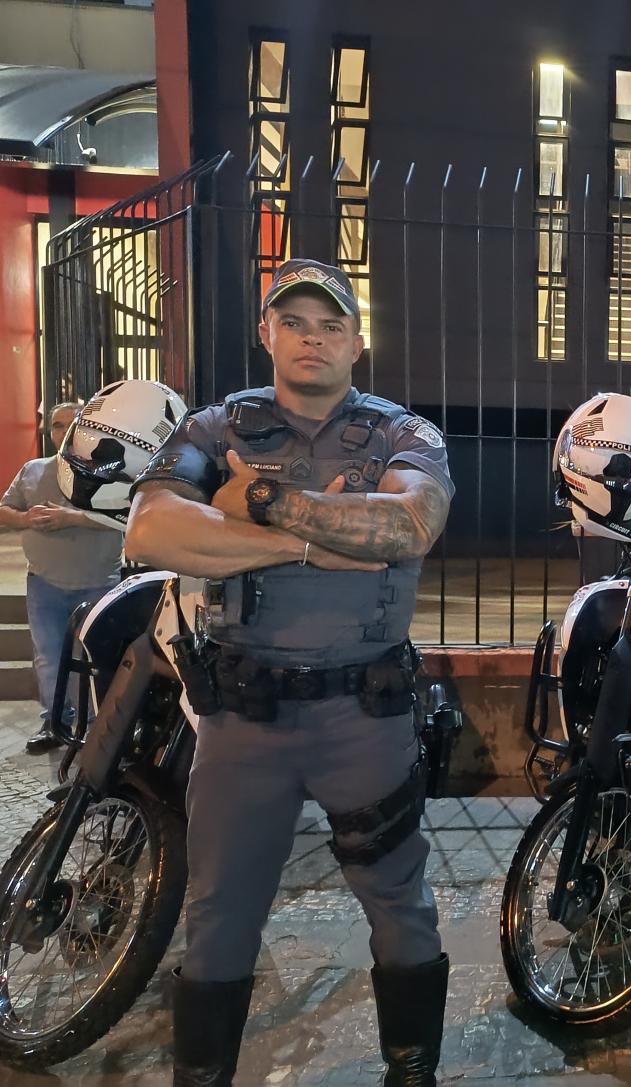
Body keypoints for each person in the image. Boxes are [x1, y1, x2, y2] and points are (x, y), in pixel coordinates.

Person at [125, 259, 454, 1087]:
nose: (313, 337)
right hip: (244, 721)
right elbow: (155, 531)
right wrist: (317, 541)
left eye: (331, 324)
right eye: (296, 322)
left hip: (365, 720)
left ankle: (410, 1071)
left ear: (356, 340)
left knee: (400, 905)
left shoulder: (401, 434)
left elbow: (409, 523)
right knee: (220, 914)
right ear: (266, 332)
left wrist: (261, 505)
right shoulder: (213, 429)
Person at [0, 401, 123, 753]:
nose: (64, 430)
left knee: (96, 658)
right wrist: (25, 520)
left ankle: (97, 726)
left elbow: (127, 517)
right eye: (57, 424)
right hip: (45, 583)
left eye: (73, 423)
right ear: (50, 431)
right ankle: (55, 722)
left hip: (99, 581)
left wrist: (73, 519)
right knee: (49, 657)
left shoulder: (111, 471)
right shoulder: (34, 471)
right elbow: (4, 511)